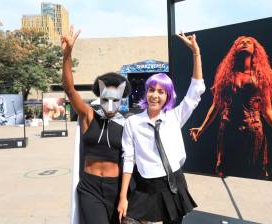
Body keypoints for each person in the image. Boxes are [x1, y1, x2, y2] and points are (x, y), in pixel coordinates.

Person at [117, 32, 205, 224]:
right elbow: (128, 160)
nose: (155, 95)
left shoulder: (174, 117)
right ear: (146, 92)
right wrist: (123, 197)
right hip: (146, 186)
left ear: (168, 96)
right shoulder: (132, 122)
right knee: (127, 220)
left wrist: (196, 53)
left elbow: (196, 91)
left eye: (161, 91)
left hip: (174, 182)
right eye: (151, 90)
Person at [189, 36, 272, 178]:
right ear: (235, 49)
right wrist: (202, 128)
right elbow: (216, 106)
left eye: (248, 42)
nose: (244, 43)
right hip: (228, 129)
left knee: (253, 172)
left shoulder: (262, 76)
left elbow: (267, 110)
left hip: (253, 130)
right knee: (226, 171)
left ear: (254, 49)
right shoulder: (225, 76)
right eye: (240, 43)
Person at [61, 26, 131, 224]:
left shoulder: (127, 124)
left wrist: (126, 195)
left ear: (122, 98)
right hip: (90, 188)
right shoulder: (88, 115)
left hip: (116, 188)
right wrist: (67, 54)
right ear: (99, 96)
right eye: (105, 98)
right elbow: (69, 89)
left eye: (115, 100)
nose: (110, 105)